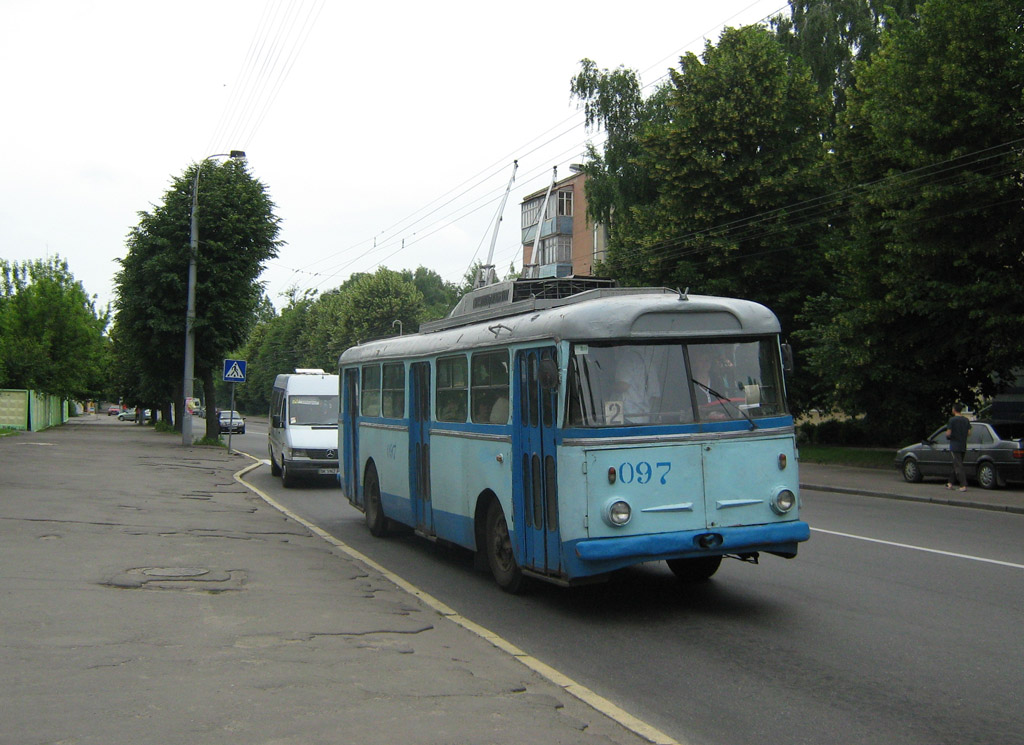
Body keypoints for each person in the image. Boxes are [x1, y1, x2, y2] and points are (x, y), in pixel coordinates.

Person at [945, 402, 971, 492]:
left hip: (955, 446)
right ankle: (950, 483)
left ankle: (963, 485)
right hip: (963, 445)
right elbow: (969, 433)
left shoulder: (952, 420)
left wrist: (949, 436)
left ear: (954, 409)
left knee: (958, 465)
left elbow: (948, 433)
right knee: (956, 464)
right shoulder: (966, 420)